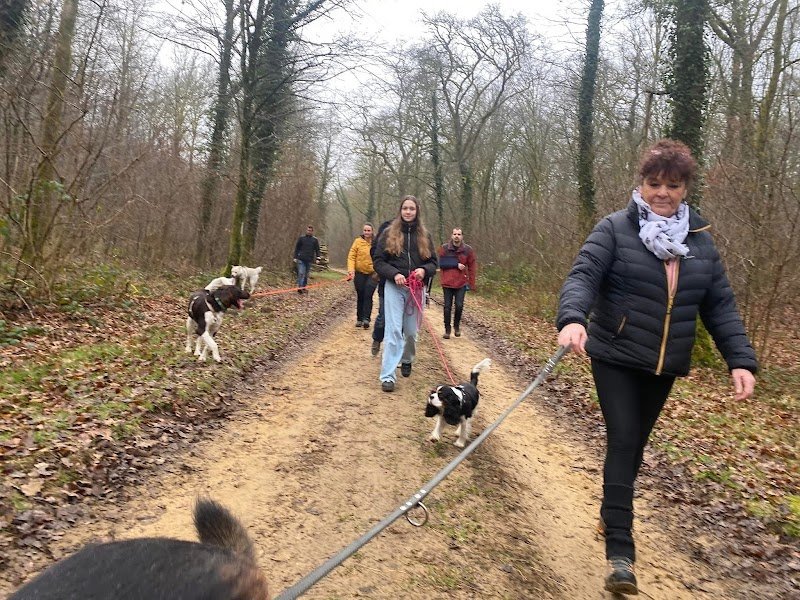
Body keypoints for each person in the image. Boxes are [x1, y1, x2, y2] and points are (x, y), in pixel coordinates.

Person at [556, 138, 757, 596]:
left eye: (672, 184)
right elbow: (583, 275)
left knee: (635, 445)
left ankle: (611, 510)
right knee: (624, 438)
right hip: (615, 354)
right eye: (653, 183)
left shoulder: (701, 242)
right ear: (640, 185)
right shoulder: (613, 229)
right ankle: (621, 555)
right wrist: (572, 319)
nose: (662, 192)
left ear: (685, 187)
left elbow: (720, 305)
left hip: (664, 364)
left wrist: (740, 361)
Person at [372, 196, 438, 392]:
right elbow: (378, 261)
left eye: (412, 209)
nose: (408, 212)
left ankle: (407, 358)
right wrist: (394, 274)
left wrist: (424, 271)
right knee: (393, 330)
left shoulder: (425, 235)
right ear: (400, 211)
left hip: (416, 288)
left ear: (417, 212)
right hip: (394, 287)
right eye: (405, 208)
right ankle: (388, 376)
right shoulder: (388, 233)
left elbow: (434, 262)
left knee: (410, 332)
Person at [438, 227, 477, 339]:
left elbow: (472, 267)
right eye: (455, 234)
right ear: (451, 235)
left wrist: (471, 283)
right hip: (447, 282)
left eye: (459, 234)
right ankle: (447, 329)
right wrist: (455, 264)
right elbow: (440, 263)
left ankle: (456, 326)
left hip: (461, 283)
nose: (456, 236)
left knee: (459, 306)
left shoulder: (468, 250)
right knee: (447, 307)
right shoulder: (444, 248)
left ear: (462, 236)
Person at [347, 223, 378, 329]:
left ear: (372, 231)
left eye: (369, 230)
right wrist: (351, 270)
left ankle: (366, 319)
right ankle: (359, 318)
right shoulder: (357, 242)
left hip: (372, 274)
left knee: (368, 295)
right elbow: (351, 256)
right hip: (359, 272)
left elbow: (380, 257)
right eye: (365, 230)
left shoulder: (376, 243)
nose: (367, 232)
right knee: (360, 294)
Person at [370, 220, 392, 356]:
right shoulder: (385, 228)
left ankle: (394, 351)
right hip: (385, 281)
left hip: (403, 284)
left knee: (400, 322)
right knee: (383, 315)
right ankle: (377, 338)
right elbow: (374, 252)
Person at [294, 225, 320, 294]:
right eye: (308, 230)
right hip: (301, 259)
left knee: (306, 275)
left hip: (309, 260)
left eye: (310, 231)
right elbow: (297, 248)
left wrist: (318, 258)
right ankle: (300, 288)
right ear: (306, 230)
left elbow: (317, 250)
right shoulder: (301, 238)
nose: (309, 232)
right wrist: (295, 257)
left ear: (312, 232)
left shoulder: (315, 240)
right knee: (301, 273)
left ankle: (304, 287)